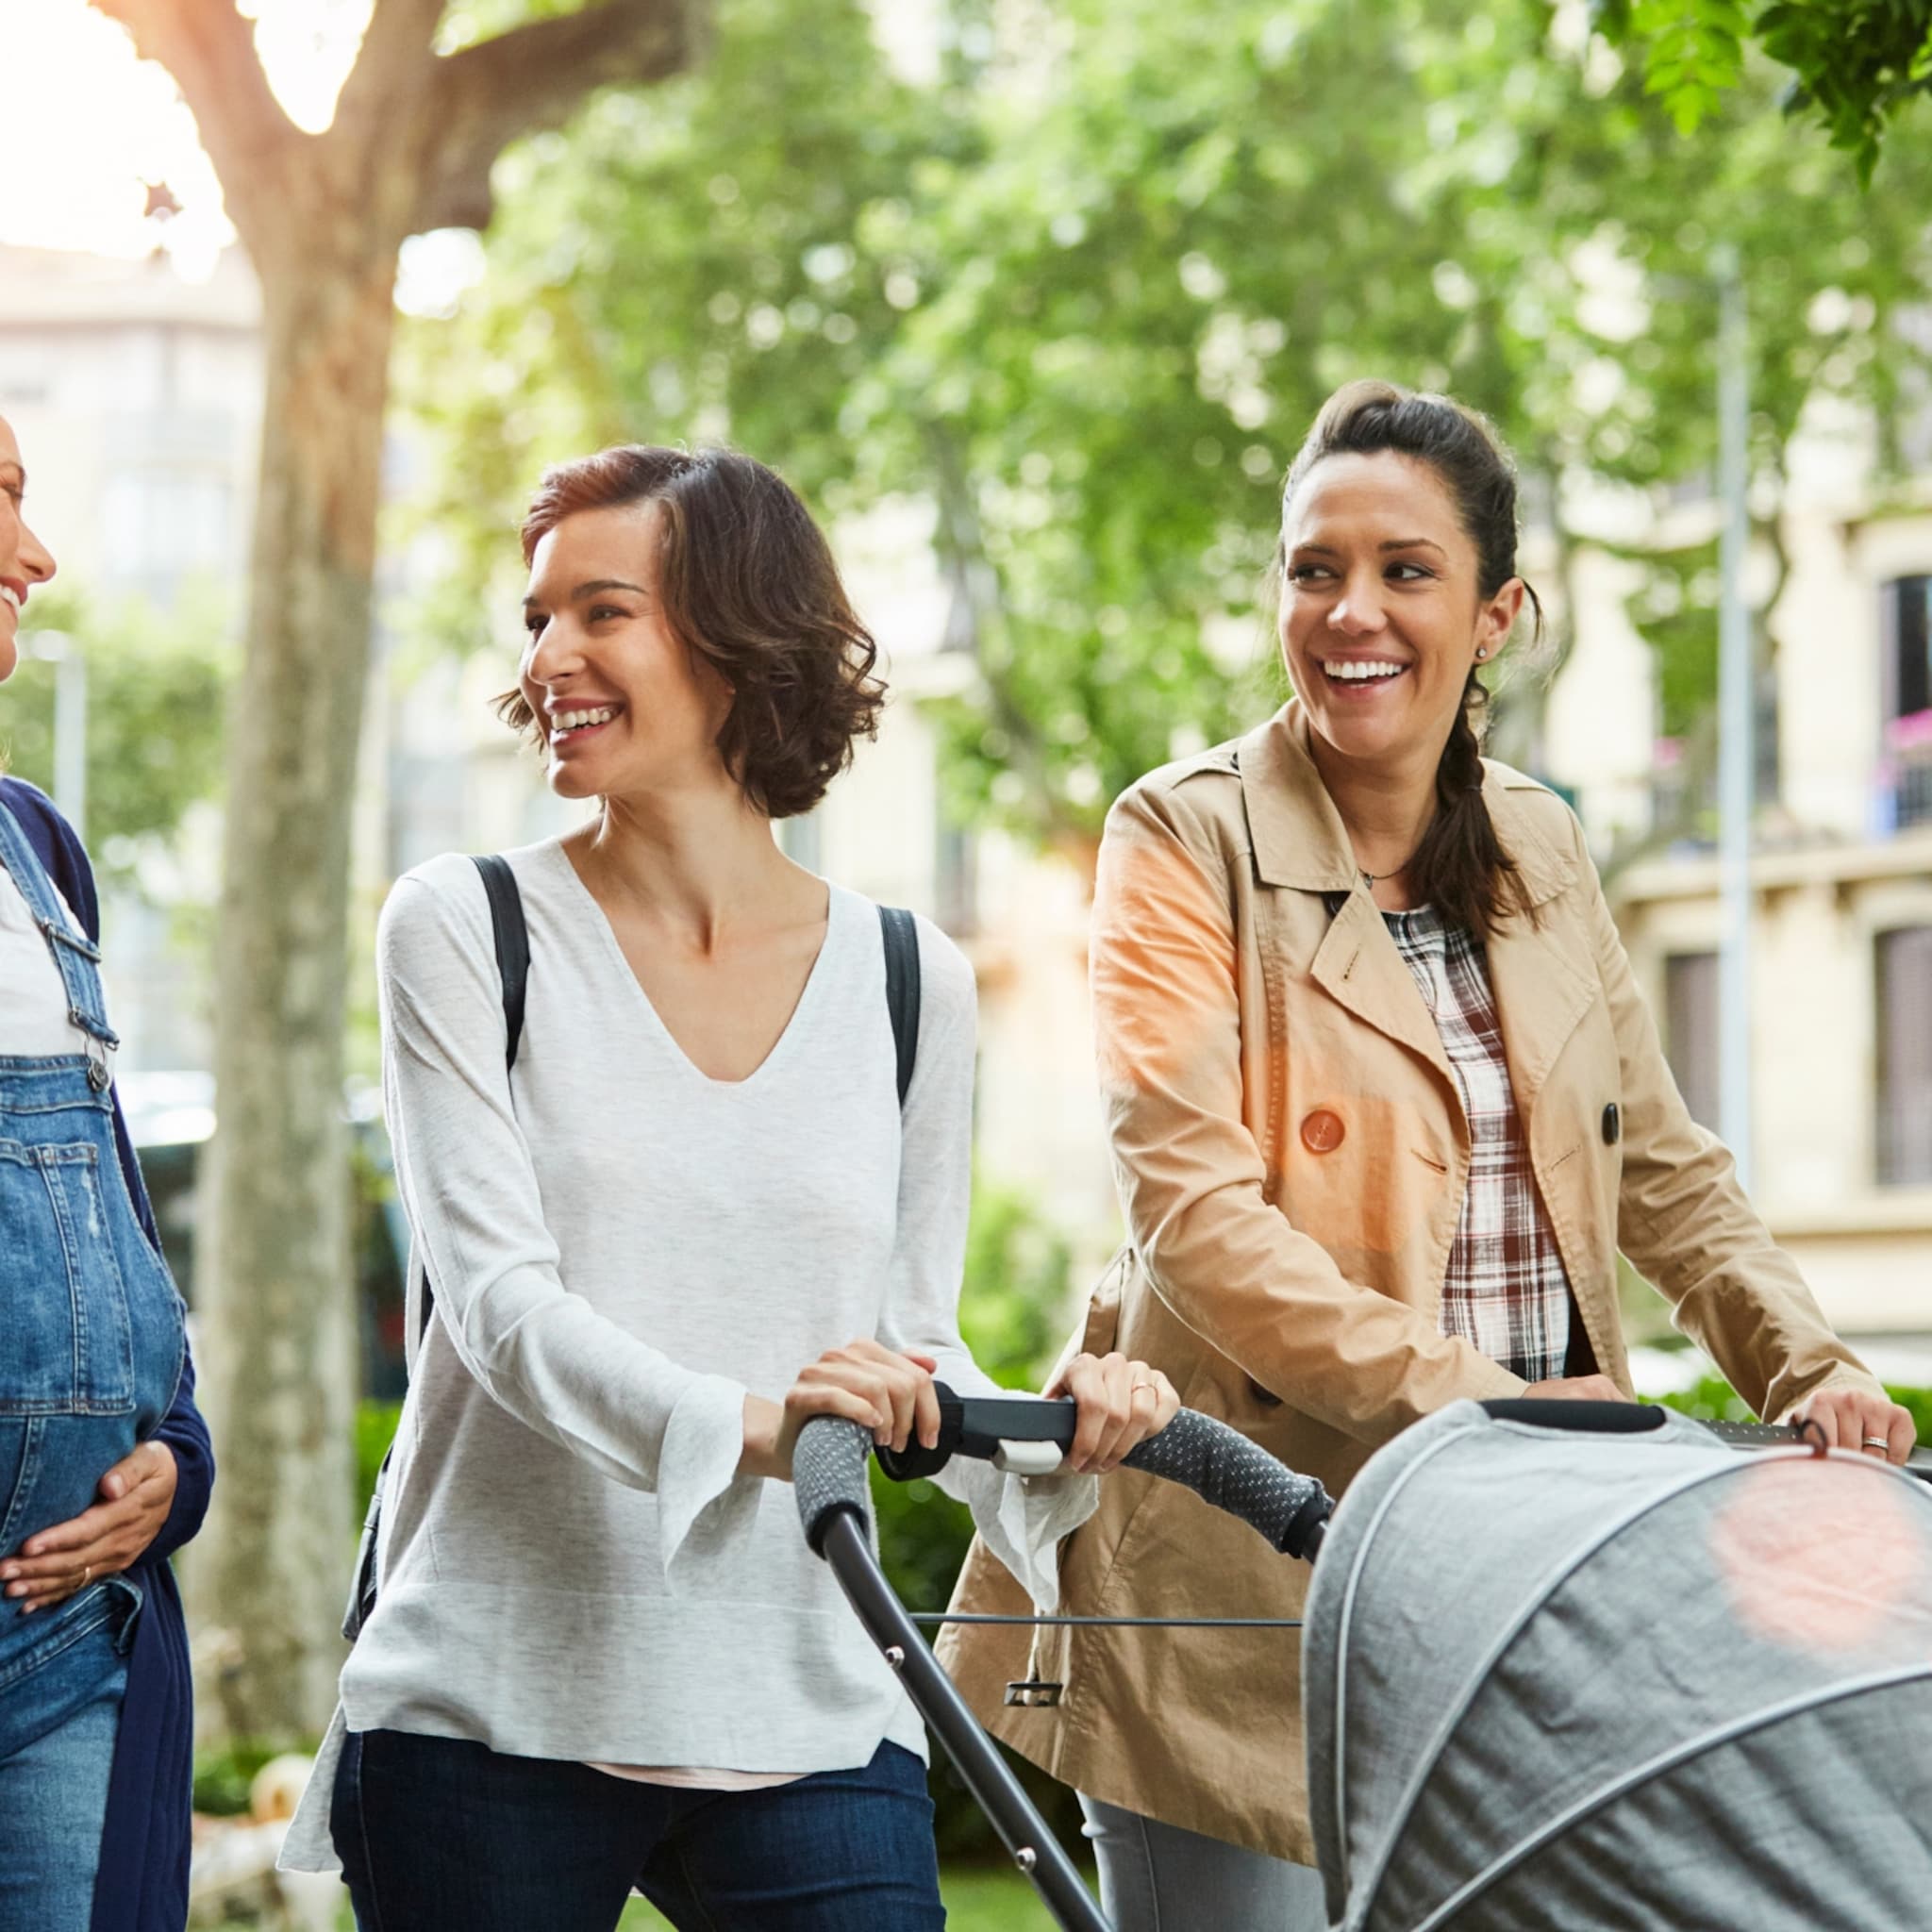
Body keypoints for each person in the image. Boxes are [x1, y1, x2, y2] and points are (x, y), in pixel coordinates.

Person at [940, 379, 1917, 1929]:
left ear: (1497, 613)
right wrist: (1504, 1419)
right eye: (1312, 569)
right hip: (1245, 1572)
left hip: (1520, 1586)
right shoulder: (1179, 837)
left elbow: (1655, 1159)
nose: (1350, 612)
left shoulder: (1538, 840)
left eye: (1405, 571)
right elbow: (1202, 1225)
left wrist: (1810, 1369)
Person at [280, 444, 1178, 1930]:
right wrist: (769, 1430)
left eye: (602, 613)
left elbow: (908, 1351)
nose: (548, 658)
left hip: (803, 1697)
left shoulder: (908, 981)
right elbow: (501, 1312)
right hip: (495, 1701)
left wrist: (1050, 1429)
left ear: (734, 639)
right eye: (537, 619)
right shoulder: (467, 928)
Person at [0, 411, 213, 1932]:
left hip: (73, 1631)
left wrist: (177, 1460)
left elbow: (112, 1227)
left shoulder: (36, 851)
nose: (41, 554)